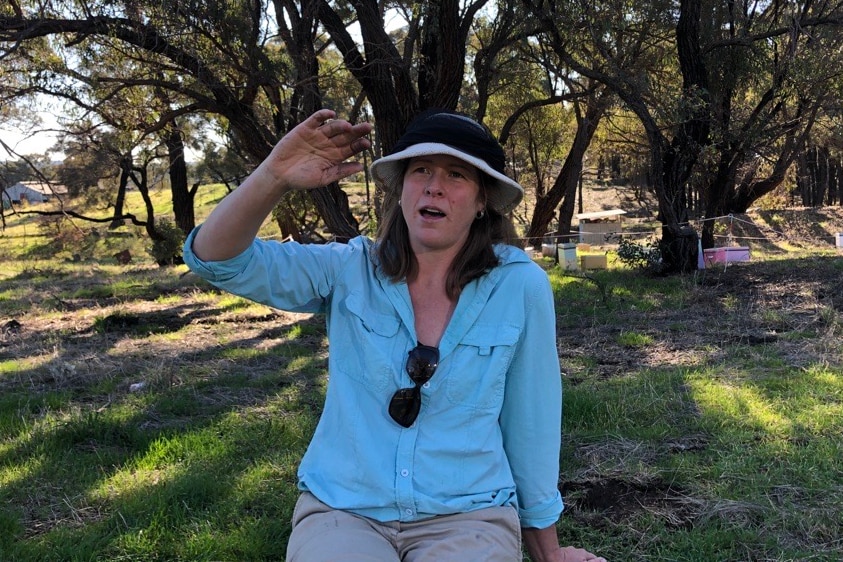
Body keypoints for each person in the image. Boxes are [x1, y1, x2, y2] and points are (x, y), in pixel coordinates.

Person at [183, 108, 606, 562]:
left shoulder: (519, 286)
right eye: (420, 170)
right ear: (401, 189)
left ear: (483, 200)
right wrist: (274, 175)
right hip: (343, 510)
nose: (434, 185)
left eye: (457, 175)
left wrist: (549, 551)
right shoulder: (348, 268)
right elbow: (217, 260)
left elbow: (532, 423)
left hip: (468, 515)